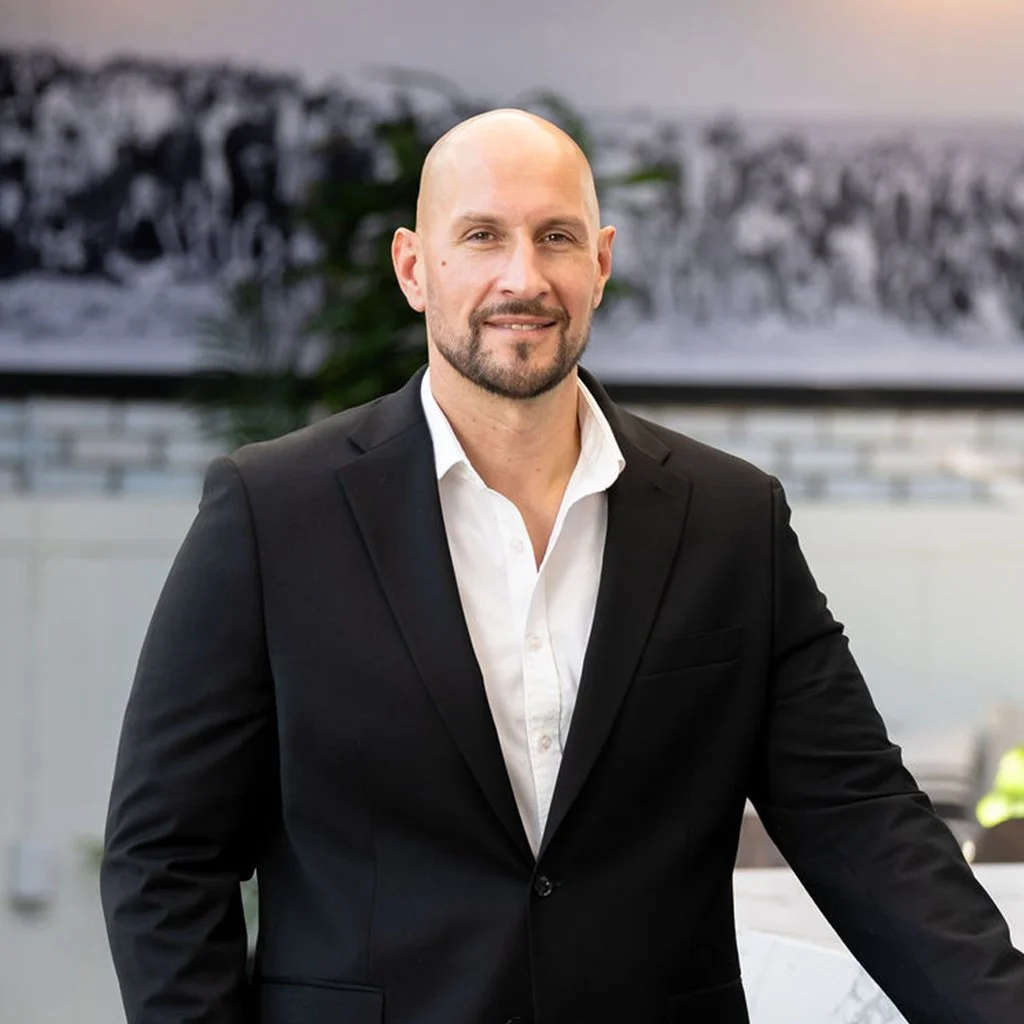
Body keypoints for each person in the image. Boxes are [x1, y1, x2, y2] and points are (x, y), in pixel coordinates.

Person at [100, 109, 1024, 1024]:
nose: (523, 276)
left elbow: (861, 817)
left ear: (601, 263)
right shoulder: (272, 512)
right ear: (415, 269)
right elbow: (164, 858)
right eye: (482, 236)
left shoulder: (730, 519)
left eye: (556, 238)